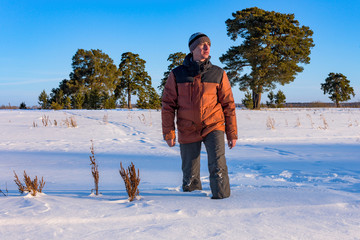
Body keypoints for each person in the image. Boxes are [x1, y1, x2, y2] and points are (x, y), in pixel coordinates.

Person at [161, 32, 238, 199]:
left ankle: (222, 198)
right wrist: (169, 133)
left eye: (208, 44)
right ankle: (192, 204)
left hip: (213, 125)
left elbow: (229, 105)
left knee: (218, 164)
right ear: (192, 49)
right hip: (187, 127)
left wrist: (232, 133)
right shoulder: (177, 74)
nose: (207, 47)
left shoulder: (218, 73)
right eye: (202, 44)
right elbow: (168, 105)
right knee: (190, 173)